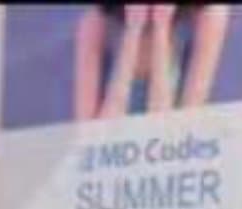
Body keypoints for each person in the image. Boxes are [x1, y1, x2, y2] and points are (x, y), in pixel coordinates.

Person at [74, 4, 231, 121]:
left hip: (172, 146)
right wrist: (133, 31)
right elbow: (90, 137)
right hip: (114, 147)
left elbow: (182, 129)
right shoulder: (97, 21)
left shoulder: (208, 15)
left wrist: (161, 27)